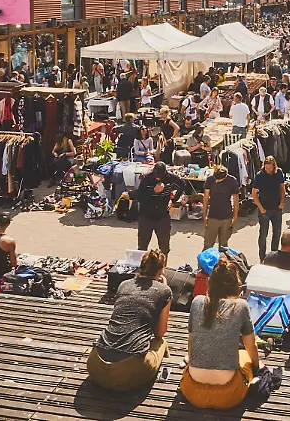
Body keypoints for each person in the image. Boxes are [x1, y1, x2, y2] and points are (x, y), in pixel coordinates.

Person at [181, 259, 260, 410]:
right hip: (228, 394)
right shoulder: (240, 306)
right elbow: (252, 346)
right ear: (236, 283)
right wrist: (257, 368)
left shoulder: (197, 302)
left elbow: (191, 343)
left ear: (210, 282)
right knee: (244, 354)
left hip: (193, 391)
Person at [87, 249, 172, 391]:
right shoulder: (164, 290)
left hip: (96, 365)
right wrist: (165, 286)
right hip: (129, 372)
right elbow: (160, 332)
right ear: (161, 271)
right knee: (161, 342)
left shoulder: (124, 285)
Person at [133, 163, 189, 255]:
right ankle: (143, 266)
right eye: (156, 176)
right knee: (142, 246)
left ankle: (163, 267)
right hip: (146, 216)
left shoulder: (170, 177)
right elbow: (139, 197)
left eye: (160, 176)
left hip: (162, 216)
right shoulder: (147, 179)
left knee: (164, 247)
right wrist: (153, 191)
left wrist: (173, 200)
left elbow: (182, 184)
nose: (158, 178)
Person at [251, 156, 287, 260]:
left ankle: (273, 256)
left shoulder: (279, 172)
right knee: (263, 235)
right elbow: (254, 193)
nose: (268, 170)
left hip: (277, 208)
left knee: (277, 233)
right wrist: (261, 208)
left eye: (269, 168)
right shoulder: (260, 175)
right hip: (264, 210)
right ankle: (262, 258)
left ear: (273, 166)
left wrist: (282, 203)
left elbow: (282, 188)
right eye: (266, 168)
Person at [202, 165, 240, 250]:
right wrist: (204, 216)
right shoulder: (210, 180)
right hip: (212, 215)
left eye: (219, 180)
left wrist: (235, 216)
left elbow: (236, 200)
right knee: (208, 245)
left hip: (226, 217)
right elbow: (205, 198)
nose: (216, 181)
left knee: (223, 247)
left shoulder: (232, 181)